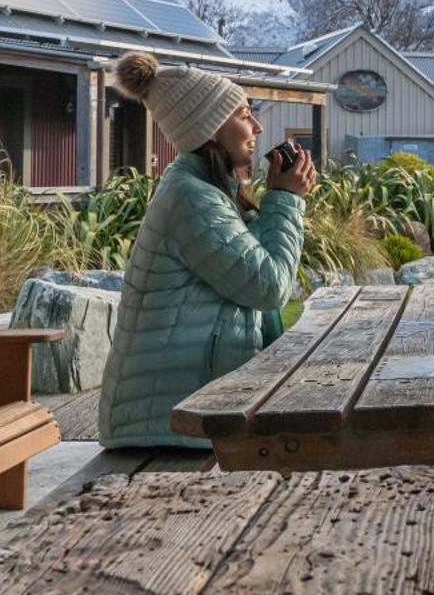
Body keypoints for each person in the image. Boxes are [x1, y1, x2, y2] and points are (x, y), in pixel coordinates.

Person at [97, 51, 317, 449]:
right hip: (163, 431)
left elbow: (257, 276)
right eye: (244, 114)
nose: (257, 126)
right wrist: (284, 199)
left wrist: (278, 199)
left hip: (181, 420)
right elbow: (268, 287)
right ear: (211, 129)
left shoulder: (208, 191)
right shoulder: (192, 199)